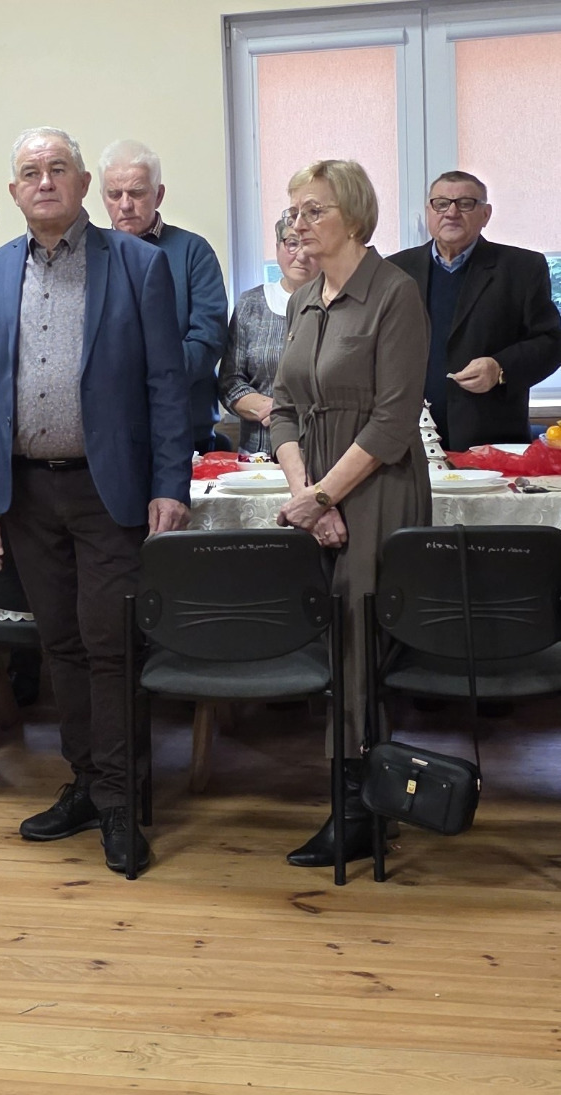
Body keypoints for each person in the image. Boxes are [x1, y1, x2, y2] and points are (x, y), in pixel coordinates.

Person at [0, 127, 192, 877]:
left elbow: (166, 386)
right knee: (59, 642)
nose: (44, 181)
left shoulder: (138, 264)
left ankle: (120, 800)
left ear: (83, 182)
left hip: (107, 488)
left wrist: (170, 484)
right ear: (13, 191)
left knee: (109, 641)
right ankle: (87, 783)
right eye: (30, 171)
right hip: (24, 492)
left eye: (58, 168)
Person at [270, 159, 431, 868]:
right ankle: (350, 801)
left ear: (354, 215)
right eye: (294, 212)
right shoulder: (305, 298)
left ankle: (362, 812)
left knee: (362, 644)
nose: (299, 224)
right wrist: (307, 493)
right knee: (330, 639)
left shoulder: (394, 293)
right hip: (320, 489)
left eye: (314, 211)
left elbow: (393, 420)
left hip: (378, 487)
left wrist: (324, 497)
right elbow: (281, 408)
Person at [388, 171, 561, 451]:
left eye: (465, 203)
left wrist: (500, 367)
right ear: (429, 212)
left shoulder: (522, 268)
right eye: (441, 204)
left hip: (491, 440)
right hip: (407, 441)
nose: (451, 213)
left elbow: (551, 342)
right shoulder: (396, 269)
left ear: (486, 214)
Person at [99, 140, 229, 452]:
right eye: (114, 194)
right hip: (110, 434)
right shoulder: (90, 256)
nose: (125, 205)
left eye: (137, 193)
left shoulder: (193, 252)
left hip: (184, 431)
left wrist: (144, 377)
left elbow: (208, 339)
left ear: (158, 195)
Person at [220, 214, 318, 454]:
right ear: (277, 247)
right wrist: (275, 410)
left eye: (309, 244)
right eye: (292, 243)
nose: (301, 255)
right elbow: (230, 382)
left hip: (321, 451)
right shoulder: (251, 303)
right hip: (259, 455)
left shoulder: (338, 304)